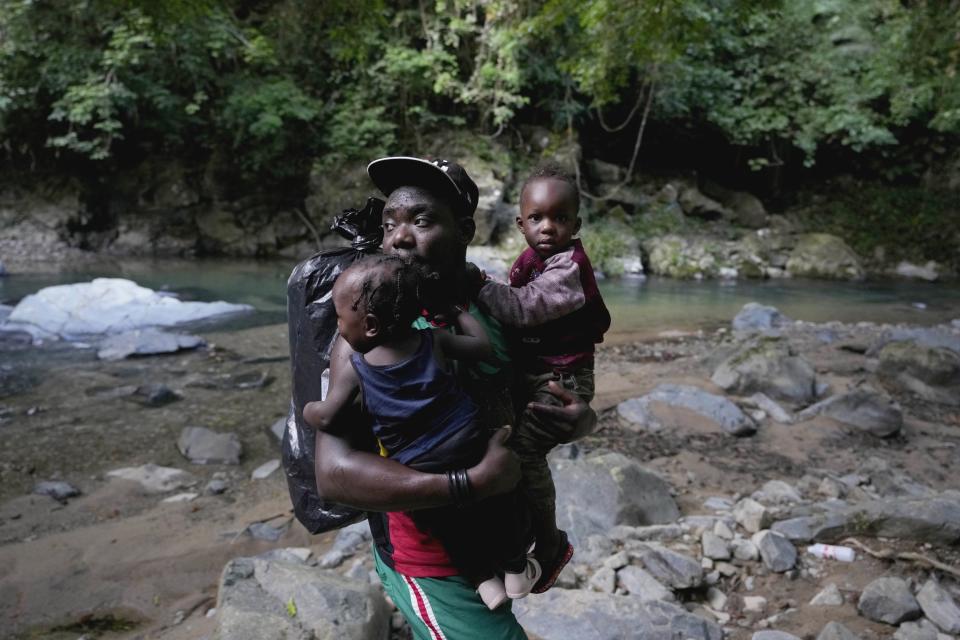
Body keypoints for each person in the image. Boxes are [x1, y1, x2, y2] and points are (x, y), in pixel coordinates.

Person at [310, 156, 597, 639]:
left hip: (504, 539)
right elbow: (333, 475)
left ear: (464, 230)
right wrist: (468, 482)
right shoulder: (366, 335)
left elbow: (534, 397)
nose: (399, 238)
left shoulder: (492, 307)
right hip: (431, 562)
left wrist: (578, 421)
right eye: (389, 224)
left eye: (421, 221)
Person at [301, 254, 538, 609]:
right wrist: (457, 312)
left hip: (418, 462)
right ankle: (517, 571)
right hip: (466, 437)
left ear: (369, 325)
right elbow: (482, 345)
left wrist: (308, 408)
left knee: (444, 524)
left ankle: (485, 584)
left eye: (339, 317)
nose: (338, 325)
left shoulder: (356, 365)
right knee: (496, 506)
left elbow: (328, 417)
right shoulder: (433, 341)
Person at [468, 164, 611, 592]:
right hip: (537, 370)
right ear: (520, 223)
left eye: (560, 218)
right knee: (502, 442)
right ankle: (513, 539)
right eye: (537, 218)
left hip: (562, 378)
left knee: (525, 452)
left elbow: (524, 307)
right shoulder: (532, 259)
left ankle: (549, 543)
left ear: (576, 224)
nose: (548, 227)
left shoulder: (568, 267)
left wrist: (474, 282)